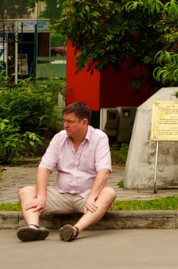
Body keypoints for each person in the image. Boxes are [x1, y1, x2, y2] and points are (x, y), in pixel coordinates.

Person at [17, 101, 117, 242]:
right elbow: (43, 169)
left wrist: (92, 196)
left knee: (109, 192)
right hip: (61, 196)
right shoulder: (59, 138)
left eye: (70, 122)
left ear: (84, 122)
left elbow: (104, 171)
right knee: (26, 191)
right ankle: (33, 228)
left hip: (87, 197)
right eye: (64, 121)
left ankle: (74, 230)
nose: (65, 125)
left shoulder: (99, 138)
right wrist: (41, 197)